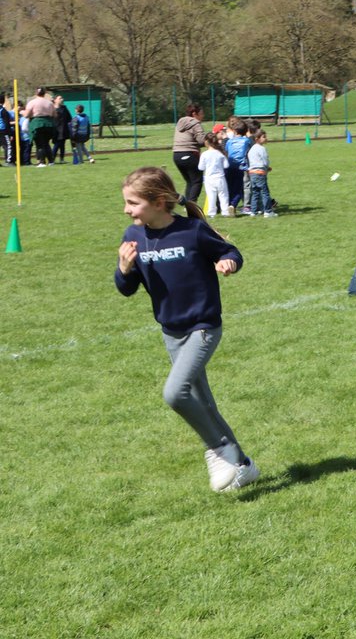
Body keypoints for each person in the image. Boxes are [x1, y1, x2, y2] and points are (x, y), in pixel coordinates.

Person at [114, 166, 259, 491]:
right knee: (203, 403)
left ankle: (217, 449)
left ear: (159, 201)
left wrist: (229, 262)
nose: (126, 209)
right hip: (171, 331)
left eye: (133, 202)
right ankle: (243, 465)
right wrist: (124, 269)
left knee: (174, 393)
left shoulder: (192, 231)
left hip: (203, 327)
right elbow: (126, 288)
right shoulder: (133, 236)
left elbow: (229, 251)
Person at [172, 103, 206, 201]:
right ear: (194, 113)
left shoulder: (180, 122)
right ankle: (192, 205)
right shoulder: (195, 123)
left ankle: (187, 205)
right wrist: (211, 139)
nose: (203, 116)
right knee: (197, 181)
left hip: (176, 155)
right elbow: (201, 141)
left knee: (190, 182)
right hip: (189, 154)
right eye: (201, 113)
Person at [198, 131, 231, 217]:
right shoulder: (220, 153)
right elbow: (226, 165)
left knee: (211, 196)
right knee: (223, 196)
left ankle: (212, 213)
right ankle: (225, 212)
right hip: (220, 177)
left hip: (209, 178)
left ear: (206, 142)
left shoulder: (204, 154)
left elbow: (200, 168)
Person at [246, 129, 276, 217]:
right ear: (257, 138)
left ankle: (253, 211)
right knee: (265, 192)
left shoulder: (252, 149)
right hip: (260, 172)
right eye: (264, 137)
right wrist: (267, 167)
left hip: (252, 172)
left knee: (255, 192)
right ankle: (268, 211)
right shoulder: (262, 148)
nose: (266, 138)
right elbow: (265, 160)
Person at [23, 87, 56, 167]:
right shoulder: (49, 103)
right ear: (44, 93)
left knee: (40, 144)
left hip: (37, 124)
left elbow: (26, 115)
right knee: (46, 143)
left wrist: (22, 112)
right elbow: (54, 115)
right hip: (49, 124)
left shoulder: (32, 102)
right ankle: (51, 161)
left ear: (36, 93)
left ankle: (41, 162)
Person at [224, 118, 251, 211]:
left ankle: (228, 204)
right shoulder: (246, 141)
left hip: (230, 166)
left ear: (234, 131)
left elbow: (227, 153)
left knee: (230, 186)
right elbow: (250, 151)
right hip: (242, 167)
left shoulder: (229, 141)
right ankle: (235, 205)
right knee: (241, 187)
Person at [52, 95, 71, 163]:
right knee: (57, 144)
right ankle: (52, 159)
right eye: (60, 98)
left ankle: (62, 159)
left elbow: (69, 118)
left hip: (63, 129)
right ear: (55, 100)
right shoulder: (52, 108)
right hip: (56, 130)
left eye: (62, 98)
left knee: (62, 145)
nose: (61, 99)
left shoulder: (64, 108)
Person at [1, 93, 15, 166]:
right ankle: (9, 161)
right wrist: (10, 134)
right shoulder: (3, 111)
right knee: (8, 145)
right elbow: (7, 123)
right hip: (3, 131)